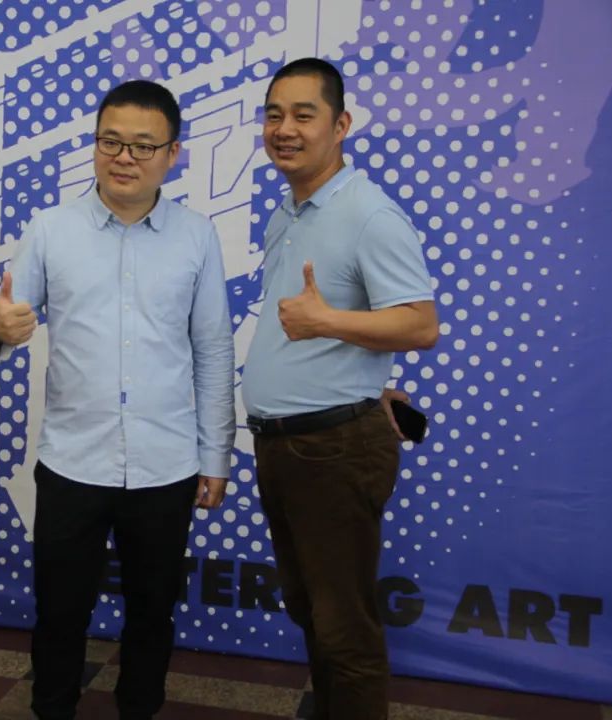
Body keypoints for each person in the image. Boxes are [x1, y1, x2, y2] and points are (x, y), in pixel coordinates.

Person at [0, 80, 236, 720]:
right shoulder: (51, 229)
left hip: (166, 464)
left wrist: (216, 456)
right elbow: (4, 322)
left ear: (173, 153)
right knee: (59, 612)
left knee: (152, 614)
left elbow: (212, 351)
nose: (124, 157)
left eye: (143, 146)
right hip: (72, 460)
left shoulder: (196, 236)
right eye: (110, 142)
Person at [241, 58, 439, 720]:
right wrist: (368, 380)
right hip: (286, 444)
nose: (285, 129)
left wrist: (326, 322)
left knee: (343, 627)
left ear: (341, 124)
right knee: (312, 612)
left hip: (332, 448)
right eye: (274, 115)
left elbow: (420, 324)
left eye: (304, 115)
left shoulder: (368, 213)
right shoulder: (289, 211)